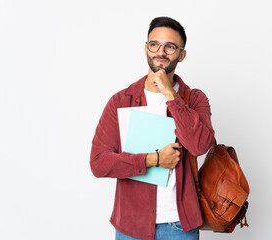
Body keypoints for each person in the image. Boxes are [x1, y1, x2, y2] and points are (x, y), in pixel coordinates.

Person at [90, 16, 215, 240]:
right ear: (146, 49)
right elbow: (99, 163)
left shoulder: (194, 99)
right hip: (131, 226)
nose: (161, 52)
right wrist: (153, 159)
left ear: (182, 54)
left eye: (170, 46)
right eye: (154, 44)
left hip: (180, 226)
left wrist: (171, 95)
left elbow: (200, 146)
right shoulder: (121, 100)